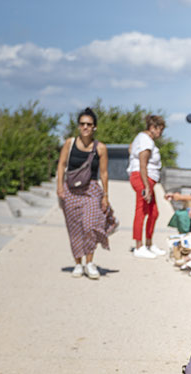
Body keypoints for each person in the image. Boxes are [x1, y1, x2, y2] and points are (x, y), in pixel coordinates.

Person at [55, 107, 116, 279]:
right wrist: (60, 187)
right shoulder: (70, 143)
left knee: (90, 225)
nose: (85, 127)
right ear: (78, 126)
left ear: (95, 127)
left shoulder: (100, 148)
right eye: (82, 124)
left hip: (91, 189)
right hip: (71, 190)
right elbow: (61, 164)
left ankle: (89, 262)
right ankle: (78, 264)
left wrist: (105, 195)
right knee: (74, 229)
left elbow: (104, 173)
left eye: (89, 124)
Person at [128, 114, 166, 259]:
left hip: (147, 179)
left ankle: (149, 243)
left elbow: (130, 149)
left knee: (153, 212)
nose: (160, 133)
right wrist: (146, 187)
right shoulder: (146, 141)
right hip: (143, 178)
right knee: (141, 210)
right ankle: (139, 246)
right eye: (160, 129)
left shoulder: (142, 138)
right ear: (152, 127)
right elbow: (143, 164)